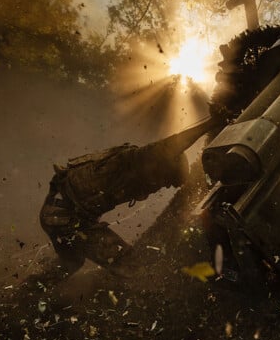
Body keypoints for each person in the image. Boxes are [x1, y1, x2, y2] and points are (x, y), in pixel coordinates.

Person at [40, 117, 219, 274]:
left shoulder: (136, 167)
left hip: (59, 214)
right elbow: (172, 145)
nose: (161, 186)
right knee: (130, 265)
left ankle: (26, 295)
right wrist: (211, 123)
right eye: (165, 180)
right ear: (161, 165)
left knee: (71, 263)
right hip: (66, 219)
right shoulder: (136, 161)